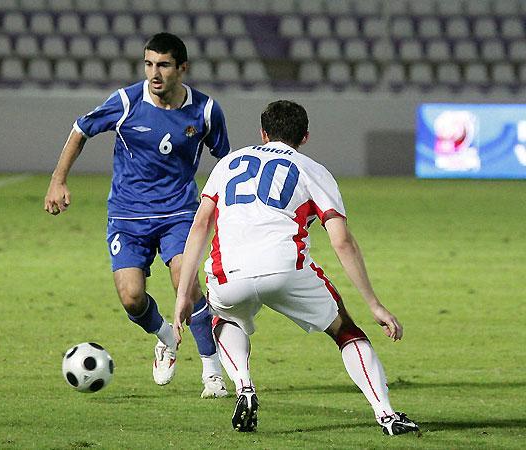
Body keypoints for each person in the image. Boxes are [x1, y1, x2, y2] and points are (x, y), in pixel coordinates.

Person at [173, 100, 420, 434]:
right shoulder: (313, 170)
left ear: (263, 133)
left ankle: (244, 386)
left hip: (229, 272)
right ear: (305, 136)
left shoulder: (228, 163)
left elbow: (201, 224)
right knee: (345, 331)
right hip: (286, 267)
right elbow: (341, 241)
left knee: (224, 317)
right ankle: (386, 415)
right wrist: (374, 304)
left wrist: (183, 295)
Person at [44, 33, 230, 398]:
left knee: (187, 284)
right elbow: (81, 129)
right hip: (127, 216)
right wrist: (57, 180)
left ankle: (212, 372)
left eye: (163, 65)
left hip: (180, 213)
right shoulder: (127, 102)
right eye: (149, 64)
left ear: (182, 68)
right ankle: (165, 336)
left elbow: (225, 161)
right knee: (131, 297)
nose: (154, 73)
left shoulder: (206, 111)